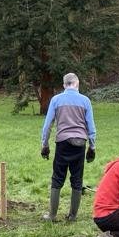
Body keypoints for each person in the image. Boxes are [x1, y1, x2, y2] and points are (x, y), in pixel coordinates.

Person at [40, 72, 96, 222]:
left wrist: (44, 145)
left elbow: (47, 125)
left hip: (62, 143)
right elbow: (91, 126)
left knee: (57, 178)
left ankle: (51, 215)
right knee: (77, 179)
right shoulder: (85, 101)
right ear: (77, 84)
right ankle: (73, 216)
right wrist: (92, 147)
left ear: (64, 85)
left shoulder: (56, 100)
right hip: (80, 143)